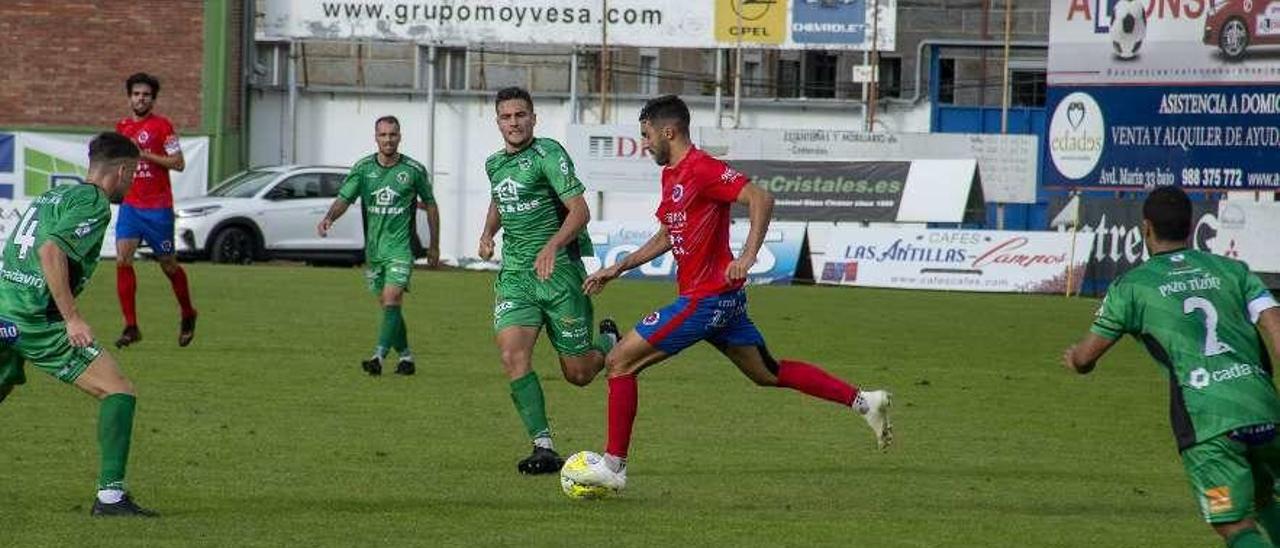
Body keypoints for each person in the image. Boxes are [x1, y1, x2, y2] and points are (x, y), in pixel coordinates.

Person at [563, 95, 893, 492]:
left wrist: (748, 255)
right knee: (766, 373)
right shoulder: (672, 175)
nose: (645, 144)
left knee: (618, 361)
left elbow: (761, 197)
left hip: (706, 299)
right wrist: (619, 266)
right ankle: (864, 402)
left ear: (669, 131)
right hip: (723, 302)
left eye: (647, 135)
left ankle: (613, 467)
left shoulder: (702, 168)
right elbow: (669, 234)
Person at [1062, 186, 1280, 548]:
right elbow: (1273, 320)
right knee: (1261, 499)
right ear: (1192, 226)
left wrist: (1075, 359)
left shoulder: (1131, 287)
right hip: (1264, 407)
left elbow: (1087, 357)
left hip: (1208, 421)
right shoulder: (1232, 270)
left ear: (1145, 228)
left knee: (1234, 524)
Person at [0, 132, 157, 516]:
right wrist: (72, 318)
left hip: (4, 307)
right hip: (37, 320)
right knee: (118, 390)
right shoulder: (95, 203)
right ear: (121, 169)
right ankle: (110, 497)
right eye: (134, 172)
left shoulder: (56, 196)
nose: (133, 180)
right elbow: (49, 249)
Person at [481, 86, 619, 474]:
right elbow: (499, 197)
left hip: (558, 277)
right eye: (506, 117)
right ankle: (543, 446)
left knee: (578, 374)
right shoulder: (494, 163)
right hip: (517, 278)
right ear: (498, 122)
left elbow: (580, 211)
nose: (514, 122)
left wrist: (553, 246)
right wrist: (488, 233)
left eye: (520, 115)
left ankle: (608, 342)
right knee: (512, 354)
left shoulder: (549, 154)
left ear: (533, 118)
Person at [318, 115, 440, 376]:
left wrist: (434, 246)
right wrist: (329, 217)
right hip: (374, 251)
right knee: (389, 306)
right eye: (383, 135)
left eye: (392, 134)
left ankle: (378, 357)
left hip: (400, 249)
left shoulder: (413, 171)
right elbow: (344, 198)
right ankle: (406, 358)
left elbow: (431, 205)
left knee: (392, 297)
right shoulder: (363, 169)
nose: (388, 139)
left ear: (400, 136)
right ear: (376, 137)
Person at [113, 72, 197, 349]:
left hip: (158, 208)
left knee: (168, 265)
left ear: (153, 99)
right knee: (123, 260)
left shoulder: (163, 126)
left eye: (146, 95)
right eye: (136, 94)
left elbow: (179, 162)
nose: (140, 98)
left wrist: (144, 154)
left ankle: (188, 312)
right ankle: (131, 326)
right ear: (129, 97)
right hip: (131, 206)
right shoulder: (122, 127)